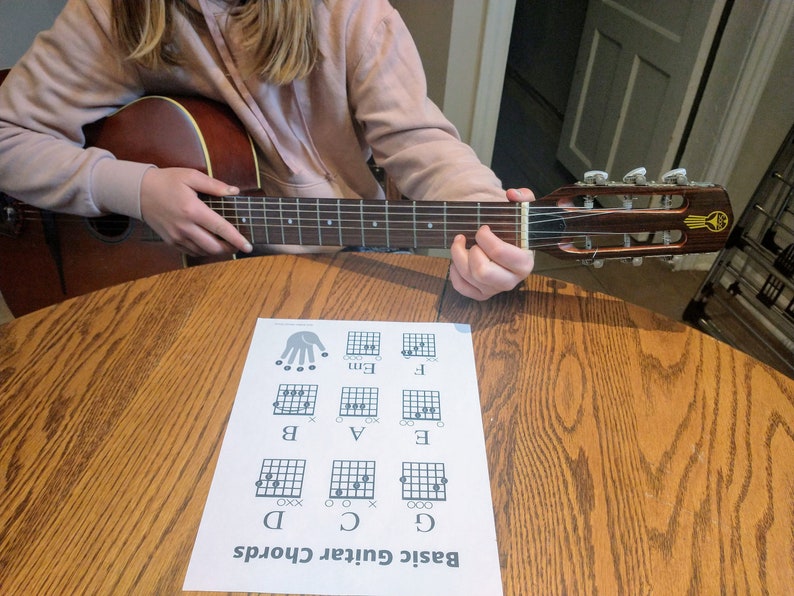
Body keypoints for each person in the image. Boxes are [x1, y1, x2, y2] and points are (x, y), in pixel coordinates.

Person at [0, 0, 535, 300]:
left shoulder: (352, 14)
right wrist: (135, 191)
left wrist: (483, 212)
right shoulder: (112, 14)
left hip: (354, 262)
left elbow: (421, 142)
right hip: (200, 288)